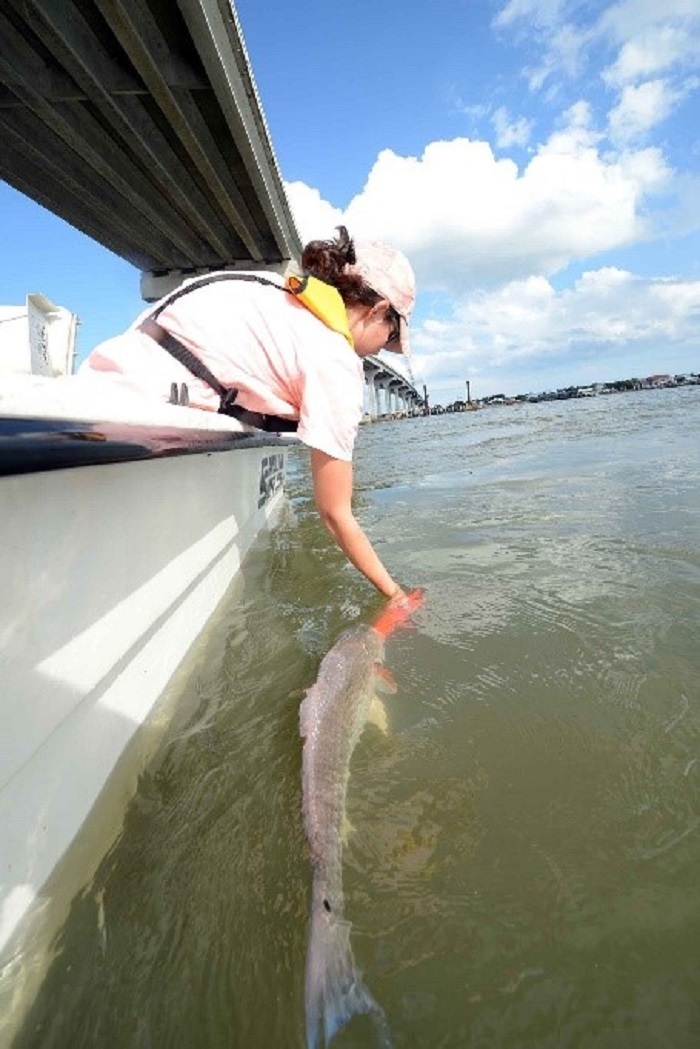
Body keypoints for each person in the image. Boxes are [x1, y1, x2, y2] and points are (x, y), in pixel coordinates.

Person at [80, 226, 417, 602]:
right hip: (138, 421)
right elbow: (335, 514)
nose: (381, 352)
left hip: (94, 385)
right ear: (379, 310)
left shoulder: (267, 287)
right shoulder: (335, 359)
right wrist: (396, 596)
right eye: (390, 338)